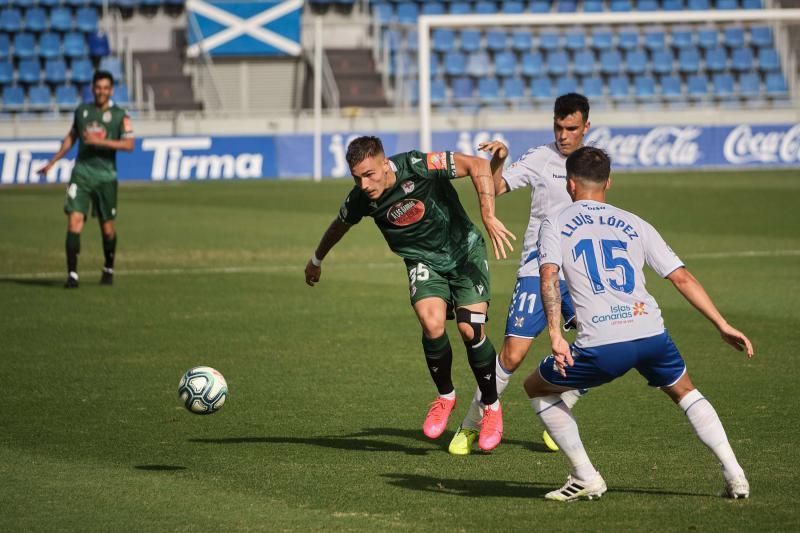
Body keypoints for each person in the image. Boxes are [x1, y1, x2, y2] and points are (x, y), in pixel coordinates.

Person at [525, 146, 753, 501]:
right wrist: (722, 324)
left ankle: (586, 476)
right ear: (608, 183)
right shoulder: (634, 221)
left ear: (570, 184)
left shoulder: (554, 223)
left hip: (602, 342)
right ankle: (736, 474)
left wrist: (555, 334)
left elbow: (550, 277)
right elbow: (682, 277)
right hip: (650, 333)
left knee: (537, 388)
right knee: (685, 391)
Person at [304, 136, 516, 451]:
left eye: (369, 174)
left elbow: (478, 164)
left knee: (470, 329)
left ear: (383, 162)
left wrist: (487, 214)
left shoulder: (417, 165)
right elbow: (340, 224)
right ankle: (445, 396)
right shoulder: (362, 197)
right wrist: (316, 259)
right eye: (356, 177)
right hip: (424, 262)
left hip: (465, 253)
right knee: (431, 323)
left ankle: (491, 406)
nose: (363, 184)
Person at [448, 93, 590, 455]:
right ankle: (470, 424)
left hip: (580, 270)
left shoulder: (593, 163)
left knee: (606, 338)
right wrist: (498, 161)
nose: (563, 134)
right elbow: (494, 188)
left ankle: (563, 403)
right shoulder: (541, 158)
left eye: (571, 128)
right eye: (558, 127)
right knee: (512, 354)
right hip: (537, 266)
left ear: (585, 127)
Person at [38, 70, 134, 288]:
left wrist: (101, 142)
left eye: (105, 88)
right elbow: (71, 137)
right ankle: (72, 275)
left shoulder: (120, 115)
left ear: (111, 90)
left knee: (107, 228)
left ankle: (108, 267)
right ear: (92, 88)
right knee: (74, 221)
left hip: (106, 177)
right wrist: (53, 161)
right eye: (98, 87)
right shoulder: (82, 112)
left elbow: (129, 145)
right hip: (81, 174)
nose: (101, 91)